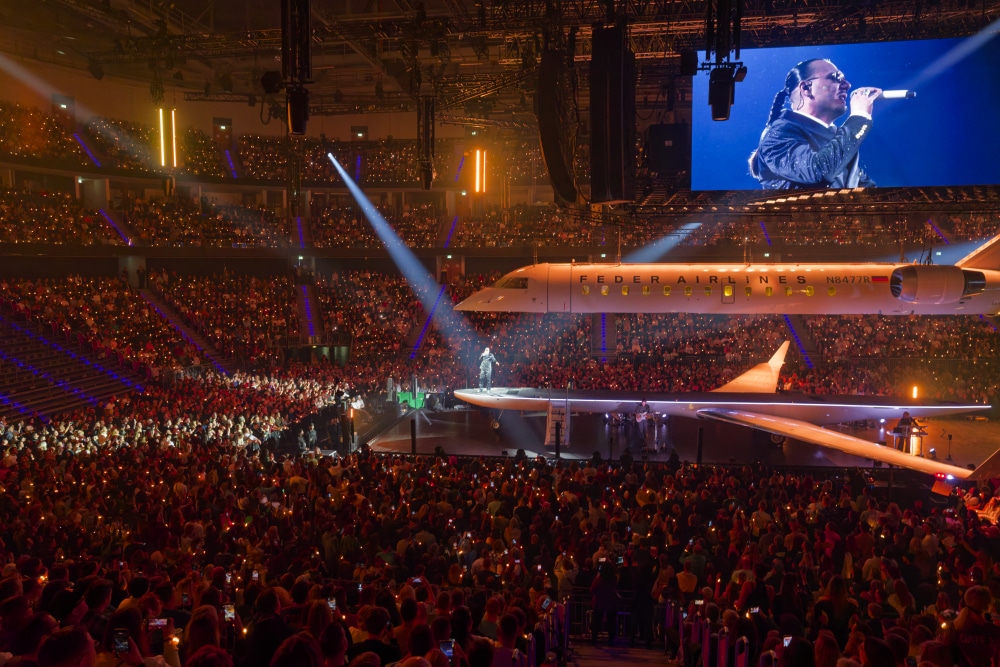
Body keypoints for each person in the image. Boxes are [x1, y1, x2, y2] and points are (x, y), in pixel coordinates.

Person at [749, 59, 881, 190]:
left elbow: (866, 188)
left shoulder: (838, 139)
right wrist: (859, 117)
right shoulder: (778, 134)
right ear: (806, 88)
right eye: (836, 77)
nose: (847, 85)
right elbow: (818, 170)